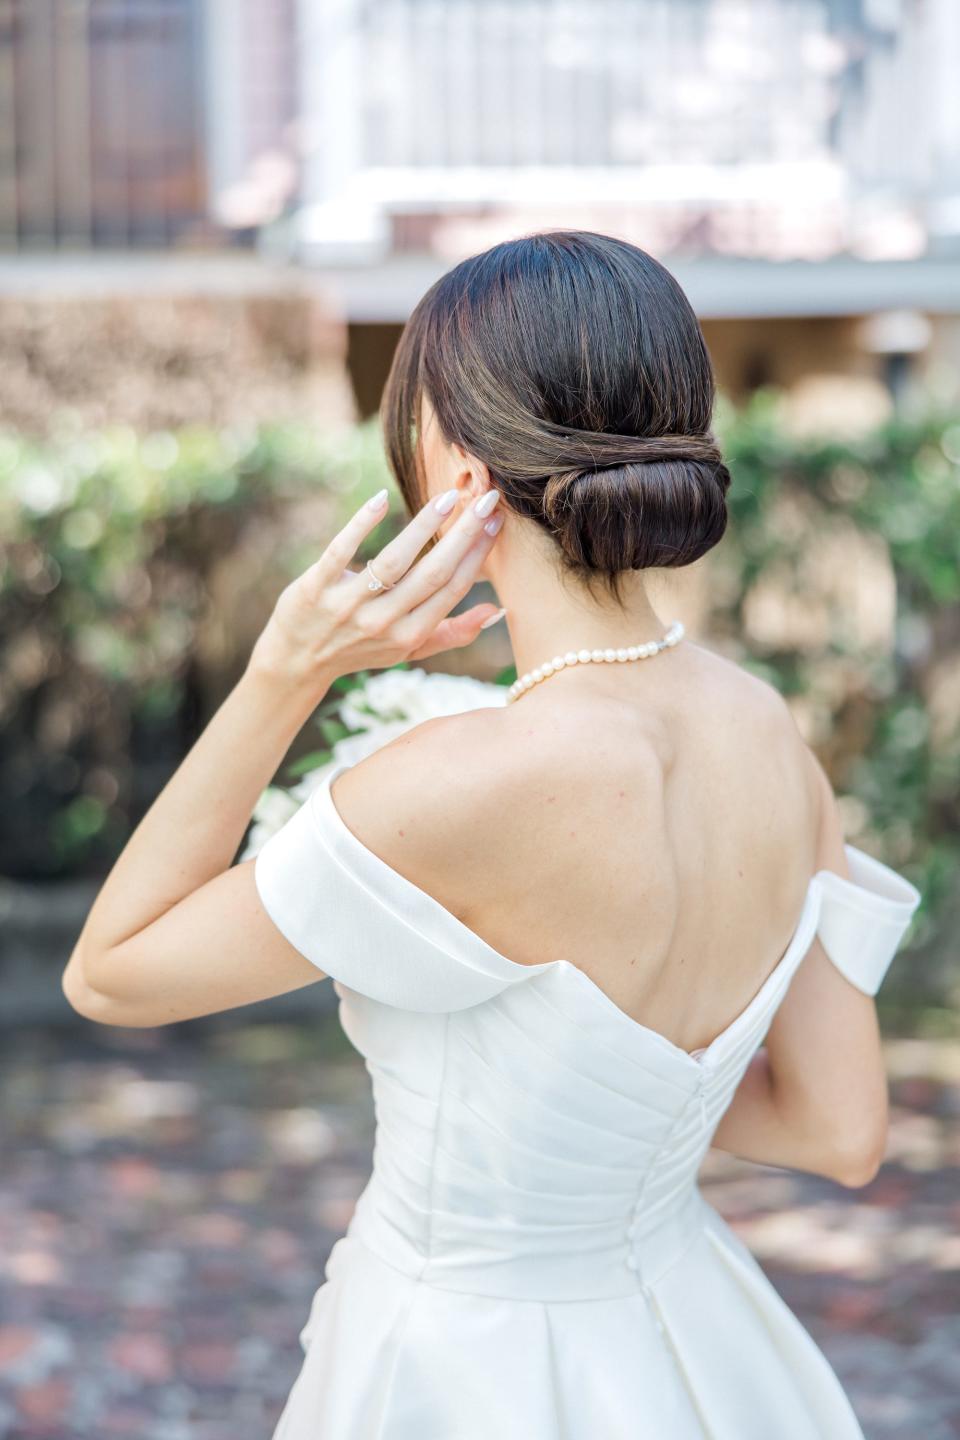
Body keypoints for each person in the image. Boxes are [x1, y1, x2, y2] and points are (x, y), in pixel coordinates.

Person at [63, 230, 922, 1439]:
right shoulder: (771, 737)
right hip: (700, 1354)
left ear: (458, 470)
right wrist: (623, 1121)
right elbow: (840, 1132)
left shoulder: (459, 784)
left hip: (460, 1368)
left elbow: (110, 973)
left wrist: (282, 673)